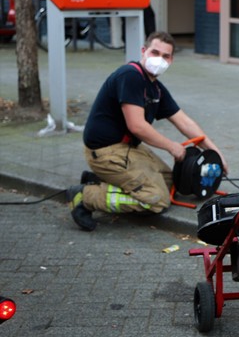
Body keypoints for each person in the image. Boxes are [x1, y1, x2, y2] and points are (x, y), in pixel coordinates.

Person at [66, 31, 228, 231]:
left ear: (171, 60)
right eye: (155, 52)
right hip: (106, 152)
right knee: (157, 200)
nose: (159, 60)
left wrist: (215, 153)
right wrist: (171, 147)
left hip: (126, 148)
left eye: (165, 56)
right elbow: (137, 126)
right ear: (144, 51)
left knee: (171, 184)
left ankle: (102, 179)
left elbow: (184, 122)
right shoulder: (131, 76)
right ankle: (86, 196)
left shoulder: (156, 88)